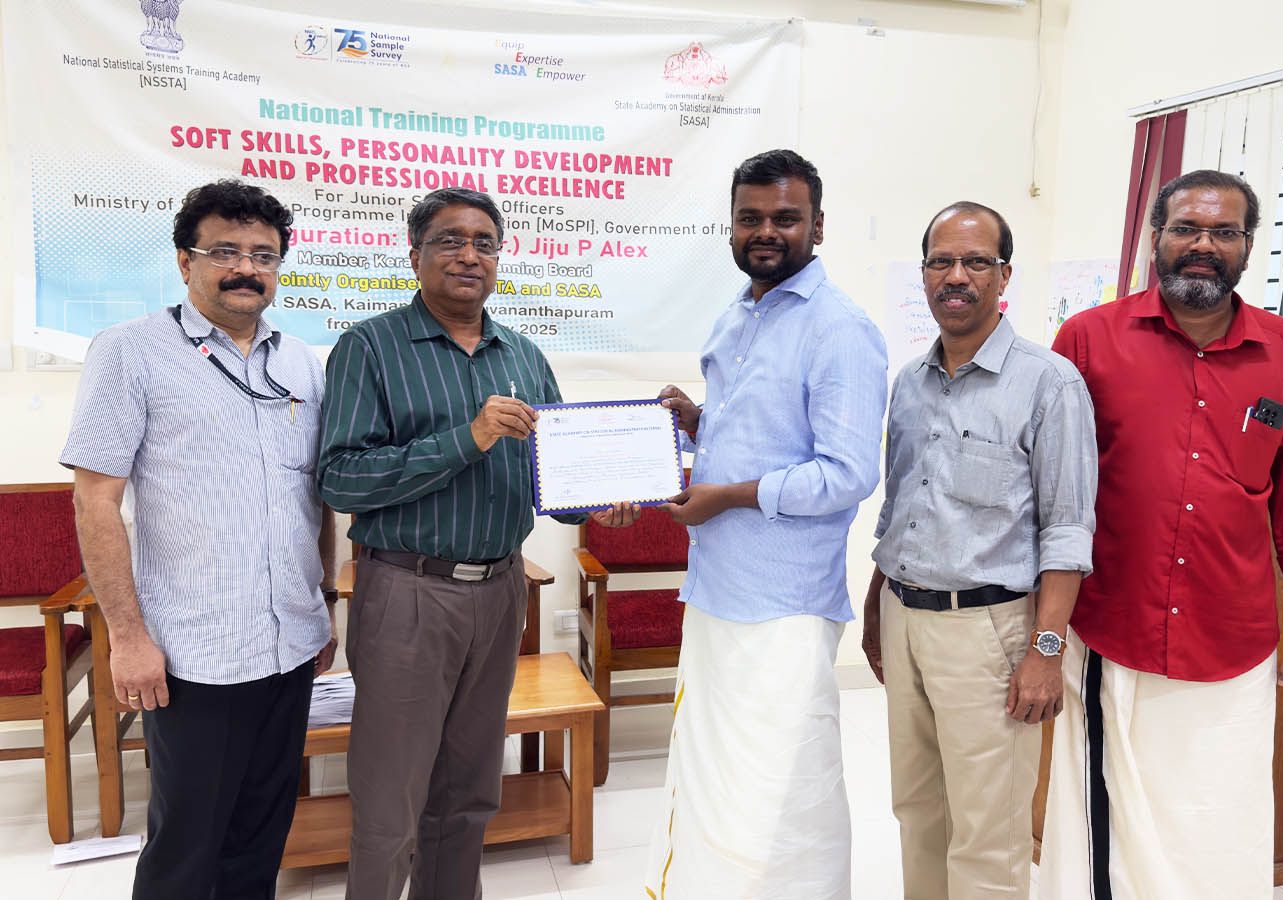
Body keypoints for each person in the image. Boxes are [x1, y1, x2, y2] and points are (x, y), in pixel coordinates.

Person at [317, 187, 628, 900]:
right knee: (390, 801)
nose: (468, 255)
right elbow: (341, 479)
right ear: (415, 255)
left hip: (499, 593)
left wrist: (599, 503)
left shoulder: (522, 354)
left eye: (484, 243)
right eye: (450, 240)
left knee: (469, 790)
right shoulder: (370, 347)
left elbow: (555, 473)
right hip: (408, 592)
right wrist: (471, 436)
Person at [1041, 170, 1283, 899]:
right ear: (1156, 238)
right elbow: (1047, 487)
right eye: (1186, 229)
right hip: (1113, 626)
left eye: (1224, 232)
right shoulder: (1087, 340)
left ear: (1248, 246)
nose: (1204, 245)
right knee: (1107, 820)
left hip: (1230, 633)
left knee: (1219, 815)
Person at [61, 179, 338, 899]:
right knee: (186, 848)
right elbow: (95, 502)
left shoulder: (300, 362)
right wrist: (127, 638)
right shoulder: (131, 351)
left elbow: (314, 497)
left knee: (260, 838)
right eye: (224, 251)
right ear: (185, 261)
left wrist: (323, 603)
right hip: (194, 655)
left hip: (290, 642)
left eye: (263, 255)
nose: (246, 267)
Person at [643, 149, 888, 899]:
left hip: (784, 603)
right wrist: (698, 422)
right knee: (713, 784)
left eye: (786, 217)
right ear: (731, 224)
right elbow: (766, 433)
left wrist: (726, 496)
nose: (766, 231)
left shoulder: (840, 328)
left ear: (819, 225)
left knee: (782, 794)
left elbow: (846, 474)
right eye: (750, 217)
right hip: (715, 588)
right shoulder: (736, 315)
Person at [861, 203, 1097, 899]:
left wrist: (1046, 651)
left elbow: (1067, 531)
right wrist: (877, 605)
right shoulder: (910, 383)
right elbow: (901, 509)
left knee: (988, 834)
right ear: (924, 275)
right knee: (918, 811)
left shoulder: (1050, 384)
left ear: (1004, 275)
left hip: (990, 633)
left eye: (975, 262)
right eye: (941, 262)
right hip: (905, 617)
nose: (956, 276)